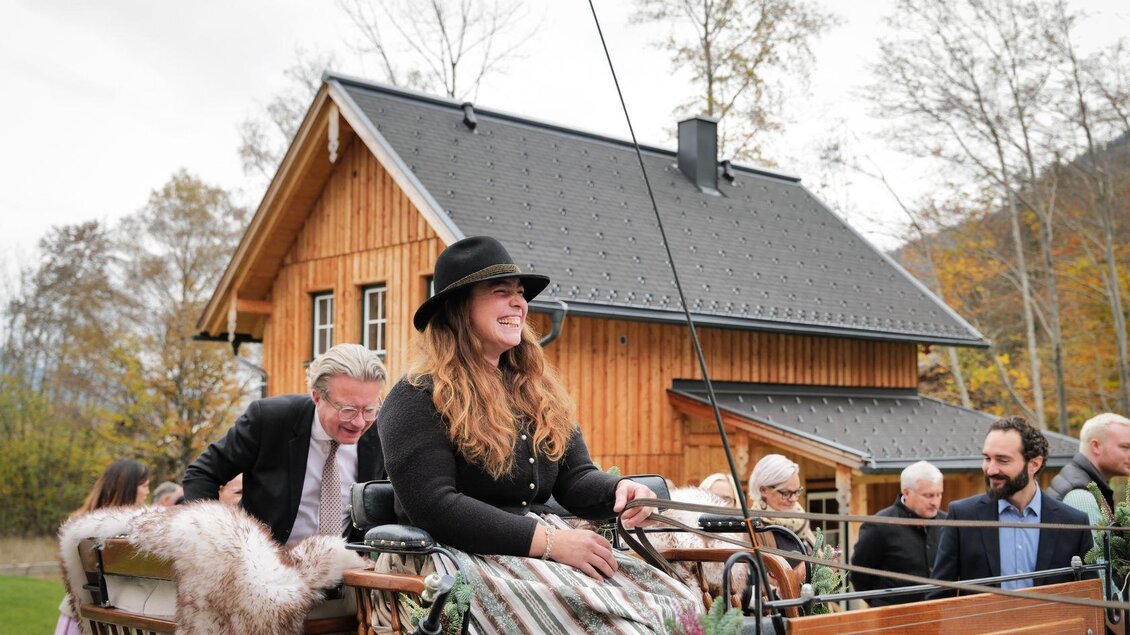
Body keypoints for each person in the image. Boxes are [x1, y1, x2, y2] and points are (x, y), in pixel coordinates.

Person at [378, 236, 699, 633]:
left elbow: (575, 478)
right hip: (457, 558)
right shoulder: (415, 396)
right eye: (501, 292)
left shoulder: (535, 390)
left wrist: (619, 490)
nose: (519, 303)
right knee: (619, 626)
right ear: (458, 309)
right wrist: (550, 542)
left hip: (541, 548)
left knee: (678, 609)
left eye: (520, 294)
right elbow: (435, 506)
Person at [183, 343, 386, 546]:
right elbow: (202, 474)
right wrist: (213, 540)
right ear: (317, 397)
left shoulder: (382, 431)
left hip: (347, 560)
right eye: (348, 410)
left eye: (369, 409)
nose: (359, 422)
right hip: (266, 557)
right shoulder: (269, 419)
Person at [929, 416, 1093, 598]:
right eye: (987, 458)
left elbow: (1089, 597)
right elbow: (939, 597)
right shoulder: (962, 516)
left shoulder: (1074, 523)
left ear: (1034, 464)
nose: (991, 469)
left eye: (1002, 460)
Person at [56, 459, 151, 635]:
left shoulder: (81, 523)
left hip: (79, 615)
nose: (148, 492)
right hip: (116, 622)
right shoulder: (130, 529)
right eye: (144, 486)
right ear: (129, 488)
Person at [850, 460, 946, 606]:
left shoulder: (948, 522)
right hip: (893, 614)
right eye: (928, 495)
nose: (935, 502)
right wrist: (881, 604)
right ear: (906, 492)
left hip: (942, 612)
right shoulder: (878, 526)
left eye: (939, 494)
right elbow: (860, 575)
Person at [1048, 412, 1130, 520]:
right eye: (1125, 447)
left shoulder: (1080, 481)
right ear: (1096, 446)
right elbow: (1095, 532)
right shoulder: (1081, 497)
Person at [748, 454, 816, 549]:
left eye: (797, 491)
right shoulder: (755, 530)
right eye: (786, 493)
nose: (794, 499)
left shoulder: (800, 519)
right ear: (763, 490)